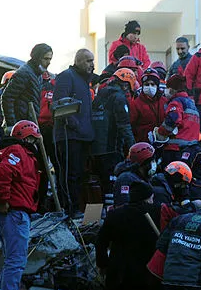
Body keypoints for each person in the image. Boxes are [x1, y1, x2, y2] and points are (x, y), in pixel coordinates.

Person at [0, 121, 43, 290]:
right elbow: (2, 174)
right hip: (15, 213)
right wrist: (2, 201)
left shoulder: (3, 152)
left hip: (7, 213)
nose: (34, 143)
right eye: (33, 139)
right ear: (28, 137)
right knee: (16, 261)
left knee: (10, 260)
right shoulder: (17, 151)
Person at [92, 180, 159, 290]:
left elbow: (100, 242)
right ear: (146, 198)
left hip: (117, 274)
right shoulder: (153, 215)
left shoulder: (115, 215)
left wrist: (103, 264)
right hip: (142, 277)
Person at [52, 49, 95, 218]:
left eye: (92, 60)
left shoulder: (84, 80)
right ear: (78, 61)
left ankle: (80, 210)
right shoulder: (66, 77)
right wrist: (74, 125)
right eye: (88, 60)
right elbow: (59, 105)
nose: (92, 64)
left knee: (80, 175)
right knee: (70, 174)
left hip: (83, 136)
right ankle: (70, 209)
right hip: (69, 136)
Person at [91, 68, 137, 198]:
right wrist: (133, 147)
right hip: (112, 148)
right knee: (112, 187)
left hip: (95, 149)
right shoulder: (119, 98)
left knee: (101, 187)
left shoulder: (99, 96)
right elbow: (124, 126)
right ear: (126, 85)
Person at [1, 43, 53, 131]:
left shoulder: (38, 74)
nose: (49, 62)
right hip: (20, 126)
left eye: (50, 59)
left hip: (29, 124)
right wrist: (12, 125)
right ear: (37, 58)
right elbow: (7, 97)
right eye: (46, 59)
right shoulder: (24, 73)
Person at [154, 74, 201, 166]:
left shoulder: (176, 102)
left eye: (167, 88)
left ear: (172, 89)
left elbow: (173, 119)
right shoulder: (191, 104)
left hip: (175, 150)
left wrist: (160, 133)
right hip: (192, 148)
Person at [113, 142, 157, 208]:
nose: (154, 164)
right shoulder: (126, 178)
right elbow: (122, 205)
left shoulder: (142, 177)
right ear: (145, 163)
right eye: (152, 161)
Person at [130, 70, 166, 143]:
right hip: (143, 142)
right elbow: (131, 125)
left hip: (163, 141)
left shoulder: (164, 101)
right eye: (146, 84)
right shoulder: (136, 104)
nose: (150, 87)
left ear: (157, 86)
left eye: (152, 84)